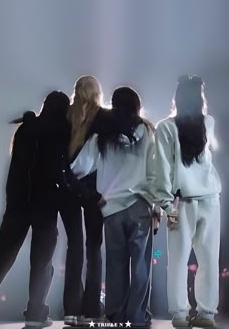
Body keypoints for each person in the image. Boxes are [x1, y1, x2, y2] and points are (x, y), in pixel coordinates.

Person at [70, 86, 157, 327]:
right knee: (140, 265)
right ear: (136, 106)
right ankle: (138, 317)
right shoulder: (147, 131)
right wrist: (157, 203)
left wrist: (91, 193)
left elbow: (79, 168)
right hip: (140, 205)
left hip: (111, 208)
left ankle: (117, 317)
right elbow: (154, 171)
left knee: (115, 266)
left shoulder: (101, 135)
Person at [0, 91, 71, 327]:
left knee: (1, 256)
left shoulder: (25, 130)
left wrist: (12, 199)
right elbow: (60, 169)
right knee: (42, 260)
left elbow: (15, 169)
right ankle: (36, 314)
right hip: (45, 204)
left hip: (18, 203)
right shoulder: (61, 131)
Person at [154, 75, 221, 328]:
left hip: (179, 203)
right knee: (208, 260)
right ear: (200, 98)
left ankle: (180, 315)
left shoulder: (165, 127)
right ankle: (206, 315)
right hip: (210, 199)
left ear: (177, 98)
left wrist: (164, 205)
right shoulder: (209, 122)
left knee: (178, 262)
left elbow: (162, 169)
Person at [61, 75, 108, 327]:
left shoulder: (66, 116)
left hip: (68, 188)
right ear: (97, 92)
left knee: (74, 247)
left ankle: (71, 310)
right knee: (93, 248)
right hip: (93, 190)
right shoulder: (102, 117)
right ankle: (91, 309)